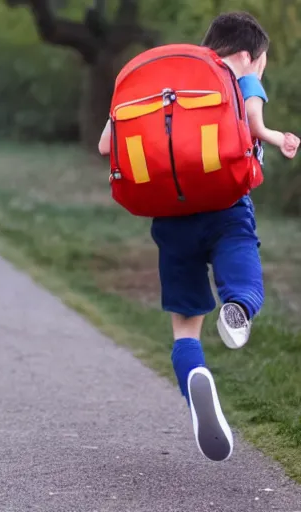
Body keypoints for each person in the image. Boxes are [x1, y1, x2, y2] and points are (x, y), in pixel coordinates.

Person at [99, 12, 299, 462]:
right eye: (262, 62)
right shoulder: (238, 76)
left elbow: (104, 146)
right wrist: (271, 135)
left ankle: (194, 380)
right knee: (242, 264)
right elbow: (252, 118)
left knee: (184, 324)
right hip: (226, 204)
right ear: (248, 56)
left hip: (169, 217)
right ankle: (238, 308)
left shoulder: (164, 82)